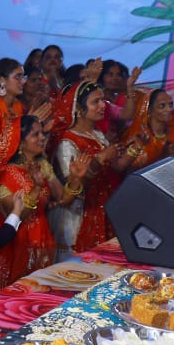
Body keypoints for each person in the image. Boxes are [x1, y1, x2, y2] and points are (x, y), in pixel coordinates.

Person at [0, 115, 86, 289]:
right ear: (20, 142)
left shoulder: (43, 165)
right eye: (35, 134)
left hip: (42, 237)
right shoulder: (6, 174)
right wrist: (37, 188)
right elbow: (16, 216)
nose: (42, 138)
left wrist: (75, 179)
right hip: (16, 243)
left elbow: (63, 199)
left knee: (39, 290)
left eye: (42, 133)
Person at [51, 82, 130, 258]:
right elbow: (73, 189)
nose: (103, 105)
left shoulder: (97, 134)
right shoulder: (67, 142)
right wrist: (99, 160)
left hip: (103, 208)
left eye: (103, 100)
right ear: (79, 109)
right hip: (79, 216)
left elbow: (115, 168)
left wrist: (134, 148)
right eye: (96, 102)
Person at [121, 88, 174, 168]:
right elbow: (127, 171)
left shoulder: (173, 135)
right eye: (162, 106)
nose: (169, 109)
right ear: (149, 110)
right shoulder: (139, 137)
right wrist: (164, 157)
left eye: (171, 105)